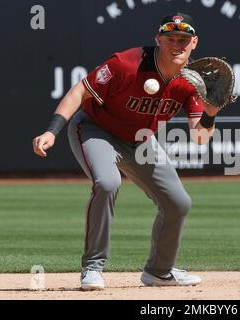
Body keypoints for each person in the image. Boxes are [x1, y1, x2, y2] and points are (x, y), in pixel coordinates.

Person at [32, 12, 219, 290]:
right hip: (97, 129)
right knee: (108, 182)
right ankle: (92, 268)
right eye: (170, 39)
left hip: (141, 142)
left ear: (194, 42)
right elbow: (79, 92)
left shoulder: (192, 82)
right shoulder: (127, 63)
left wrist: (211, 112)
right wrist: (51, 130)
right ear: (159, 40)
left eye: (183, 39)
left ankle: (160, 271)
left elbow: (201, 138)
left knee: (178, 203)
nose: (177, 45)